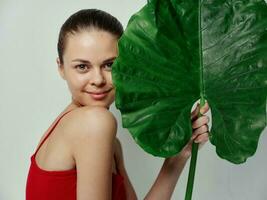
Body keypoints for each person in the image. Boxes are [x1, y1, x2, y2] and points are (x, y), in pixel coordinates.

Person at [26, 9, 210, 200]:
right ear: (61, 68)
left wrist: (179, 156)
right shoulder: (94, 123)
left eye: (109, 65)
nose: (97, 79)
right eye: (82, 67)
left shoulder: (107, 141)